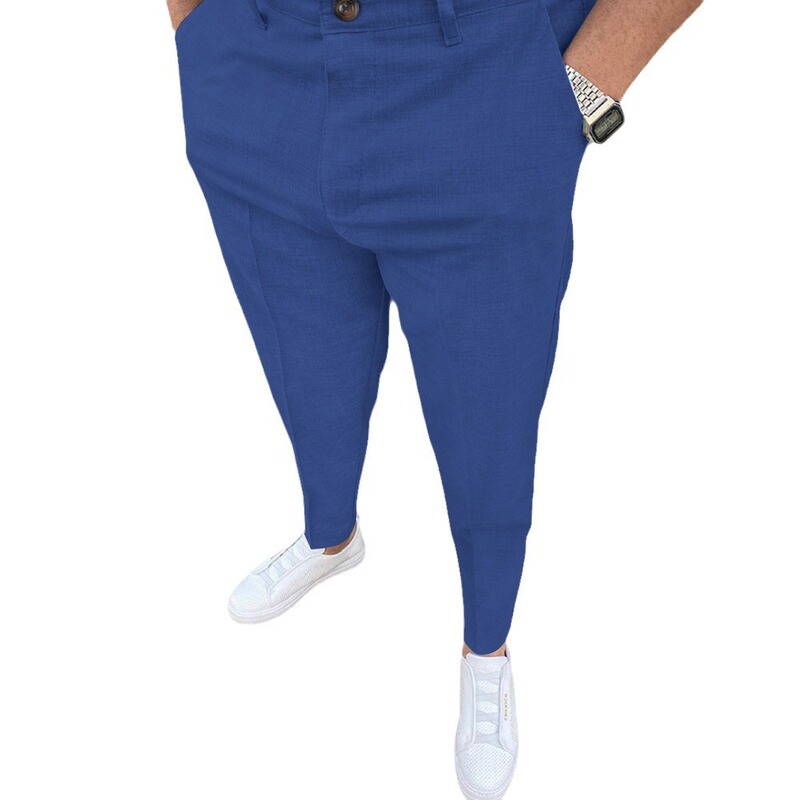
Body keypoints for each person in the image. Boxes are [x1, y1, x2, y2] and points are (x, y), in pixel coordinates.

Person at [167, 0, 703, 796]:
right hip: (258, 67)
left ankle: (486, 645)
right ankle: (329, 535)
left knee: (488, 416)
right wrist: (199, 34)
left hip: (479, 81)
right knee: (304, 363)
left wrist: (581, 90)